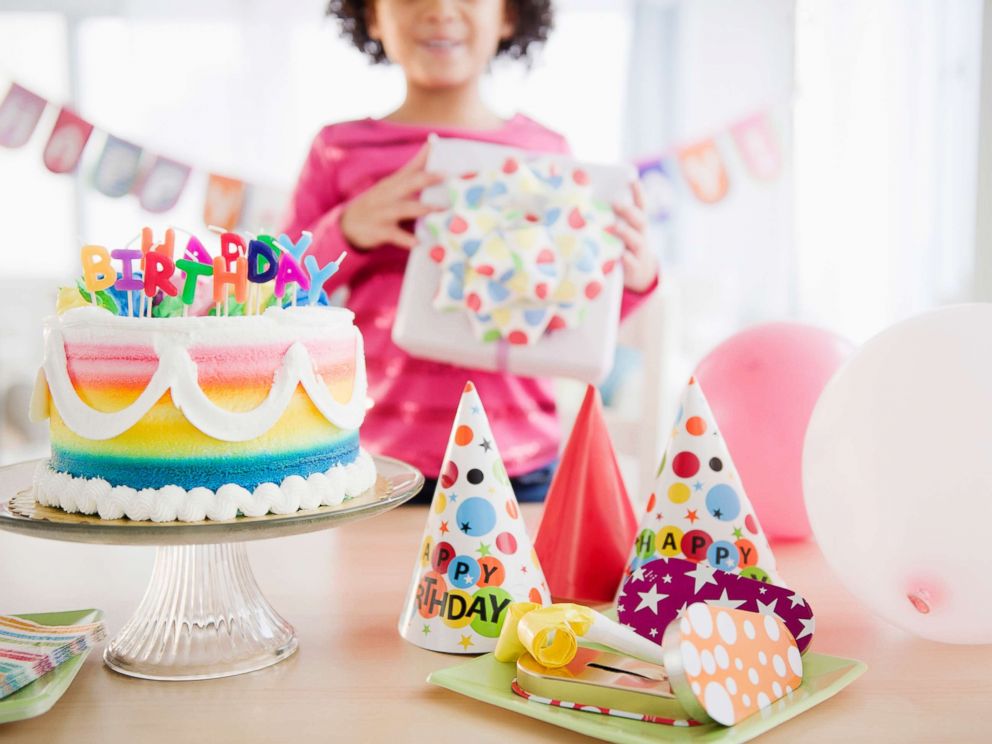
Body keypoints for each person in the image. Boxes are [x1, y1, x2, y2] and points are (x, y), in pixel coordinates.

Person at [283, 0, 659, 503]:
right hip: (376, 463)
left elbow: (575, 317)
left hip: (519, 461)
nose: (440, 10)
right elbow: (276, 297)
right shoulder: (339, 149)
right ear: (371, 15)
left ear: (510, 14)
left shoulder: (545, 151)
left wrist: (634, 279)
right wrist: (346, 229)